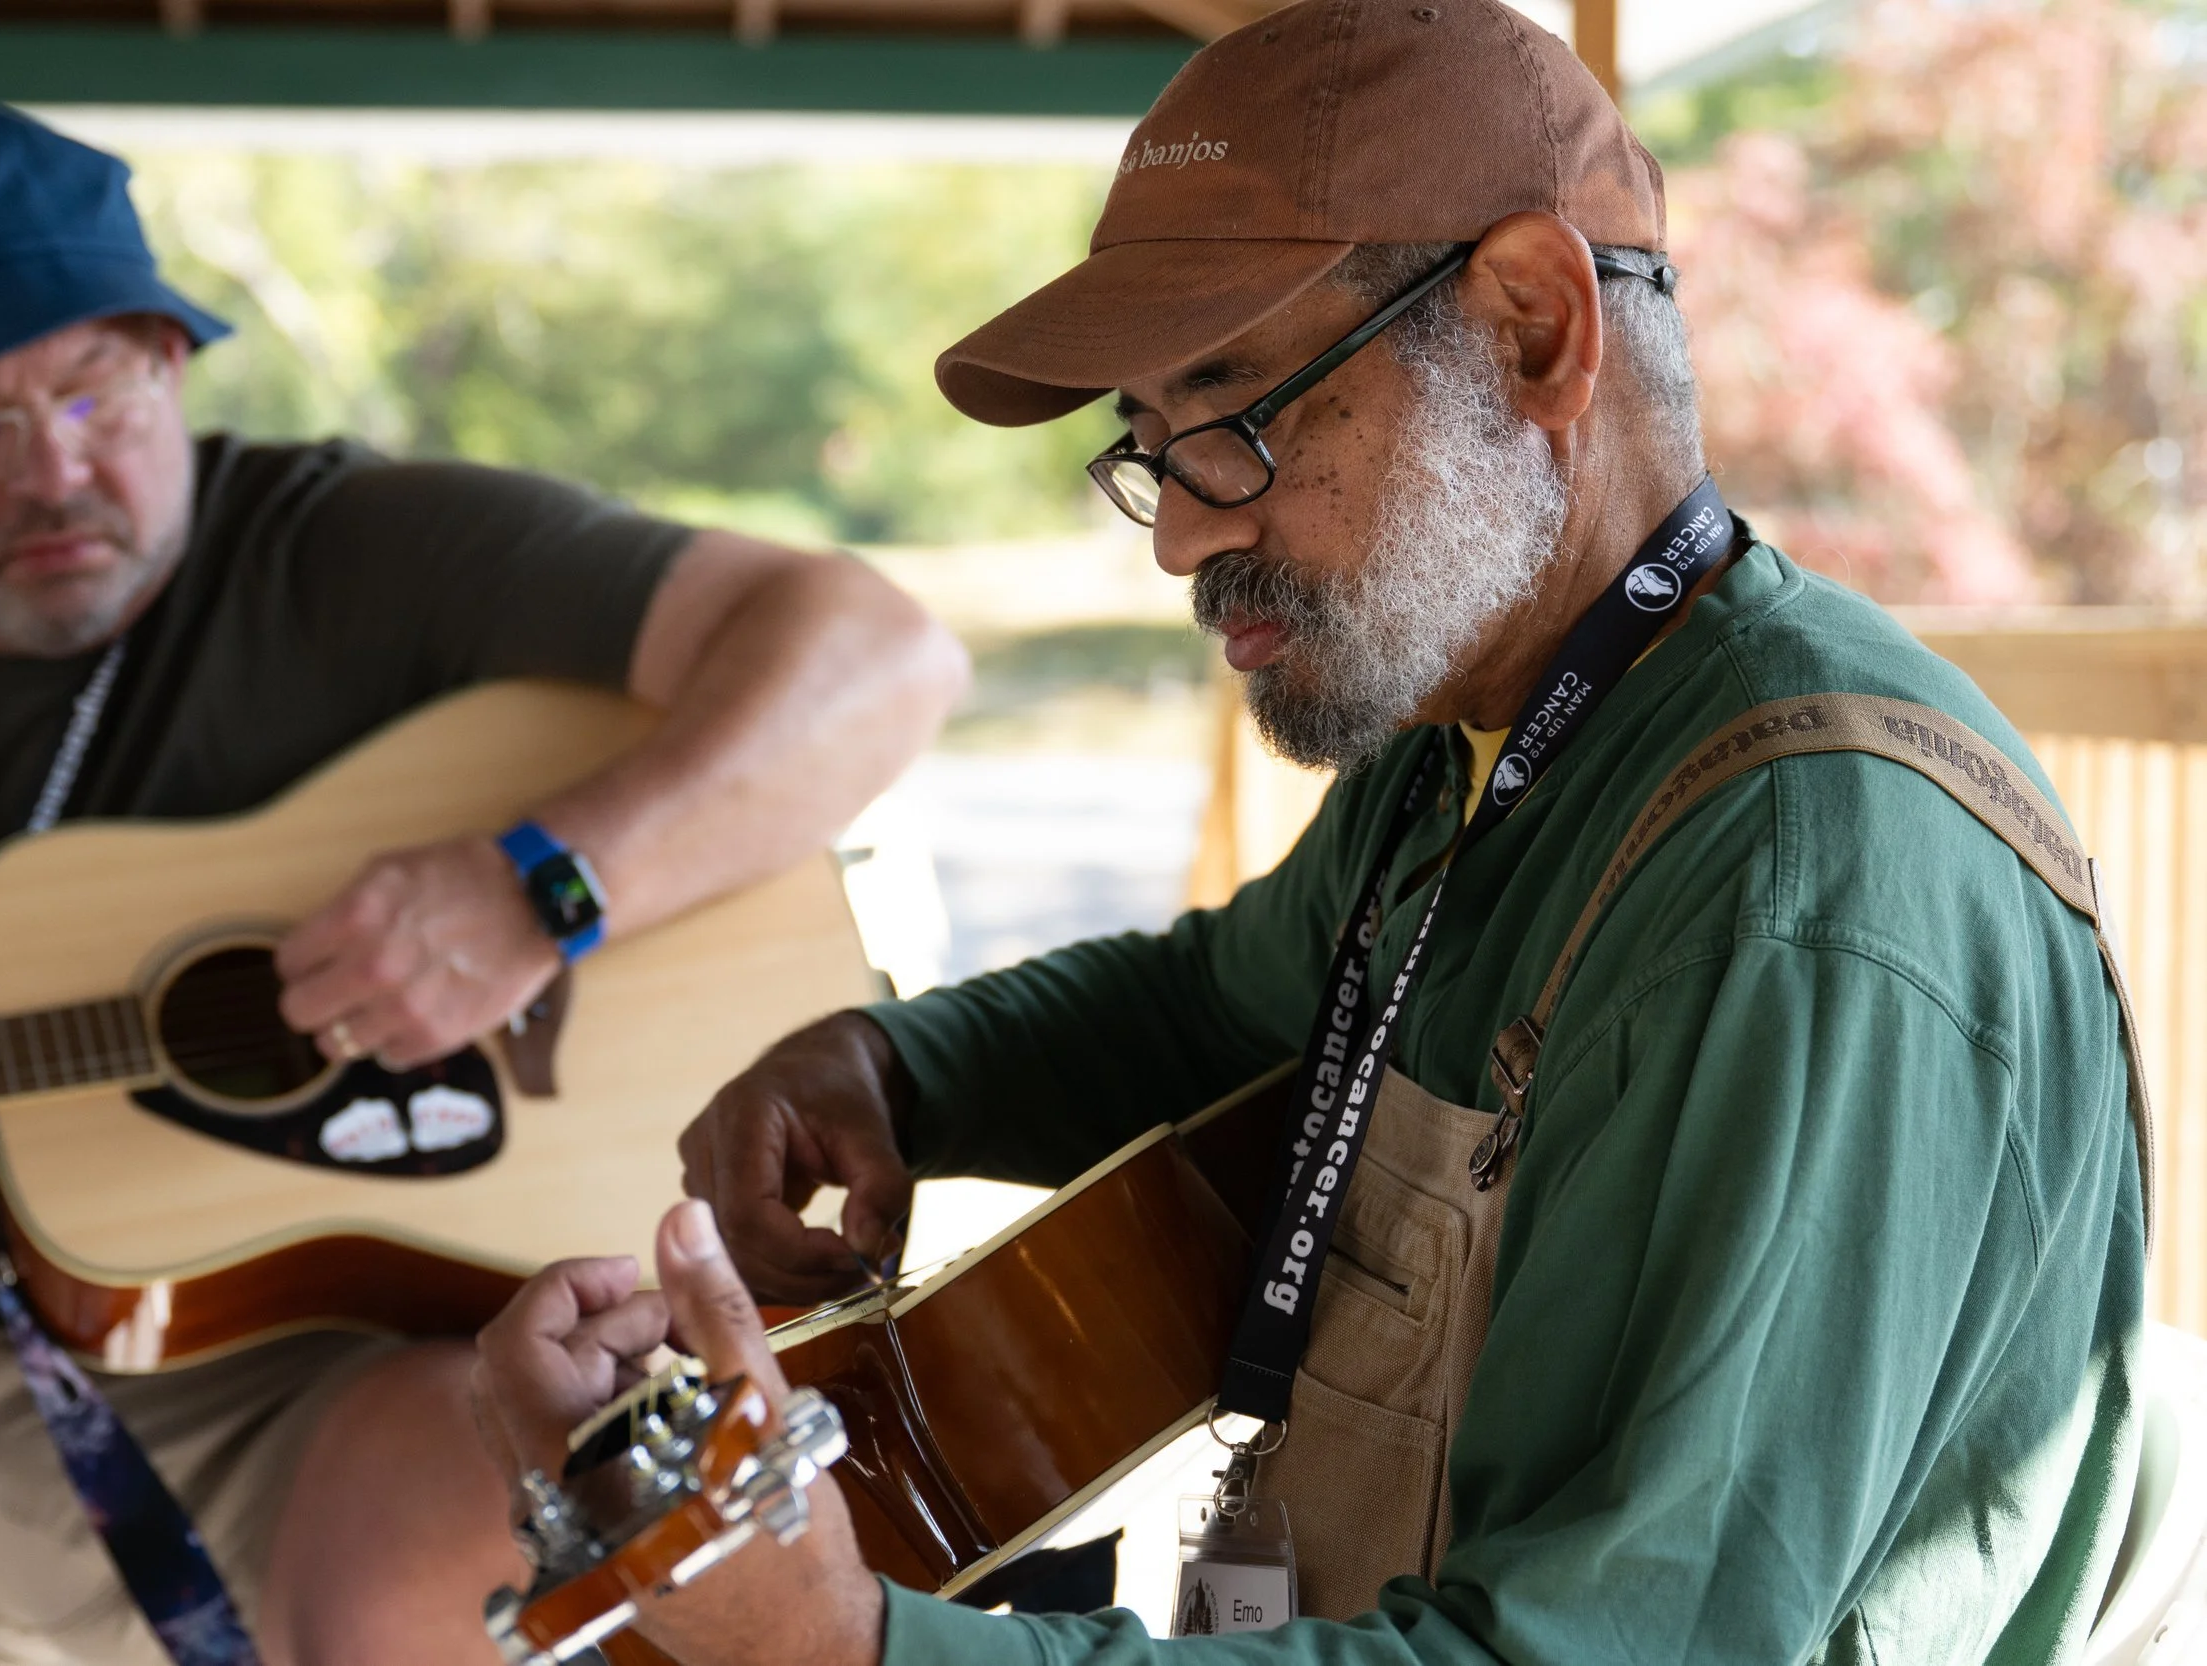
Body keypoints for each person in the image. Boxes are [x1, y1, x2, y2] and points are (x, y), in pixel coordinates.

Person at [472, 1, 2151, 1661]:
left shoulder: (1796, 878)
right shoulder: (1473, 748)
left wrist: (851, 1649)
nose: (1180, 539)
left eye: (1234, 419)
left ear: (1533, 330)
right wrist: (894, 1071)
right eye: (1149, 449)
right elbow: (1213, 1009)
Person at [0, 105, 967, 1666]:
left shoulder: (353, 548)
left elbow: (880, 656)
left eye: (96, 388)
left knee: (574, 1536)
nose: (53, 469)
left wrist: (543, 886)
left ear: (172, 359)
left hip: (308, 1385)